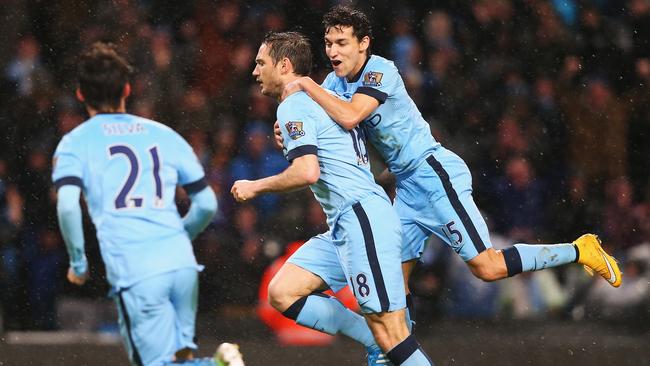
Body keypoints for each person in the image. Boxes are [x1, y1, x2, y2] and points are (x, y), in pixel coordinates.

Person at [278, 4, 621, 302]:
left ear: (363, 44)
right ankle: (394, 357)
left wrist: (306, 83)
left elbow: (350, 115)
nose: (333, 52)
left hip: (433, 175)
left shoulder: (381, 71)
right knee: (393, 284)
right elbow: (316, 125)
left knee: (487, 267)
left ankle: (580, 249)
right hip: (405, 187)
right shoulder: (334, 85)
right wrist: (287, 133)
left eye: (341, 43)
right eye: (328, 43)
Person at [231, 32, 433, 365]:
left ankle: (381, 340)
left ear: (283, 66)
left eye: (260, 63)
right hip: (346, 223)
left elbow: (307, 172)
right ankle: (371, 338)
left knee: (393, 332)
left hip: (363, 219)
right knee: (283, 292)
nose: (254, 71)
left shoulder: (295, 104)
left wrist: (256, 186)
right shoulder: (324, 98)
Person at [52, 42, 243, 366]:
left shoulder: (74, 143)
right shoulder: (164, 134)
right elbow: (207, 204)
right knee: (177, 361)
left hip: (137, 271)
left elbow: (68, 206)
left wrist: (78, 263)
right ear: (127, 89)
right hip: (182, 266)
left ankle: (219, 365)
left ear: (81, 94)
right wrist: (178, 237)